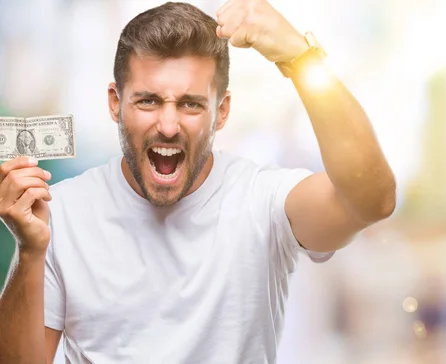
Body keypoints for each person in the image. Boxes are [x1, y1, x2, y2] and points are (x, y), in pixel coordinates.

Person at [0, 1, 396, 363]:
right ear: (114, 103)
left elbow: (373, 200)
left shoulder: (262, 202)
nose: (168, 125)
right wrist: (30, 252)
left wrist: (301, 58)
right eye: (148, 100)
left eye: (190, 104)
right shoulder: (63, 213)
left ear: (221, 112)